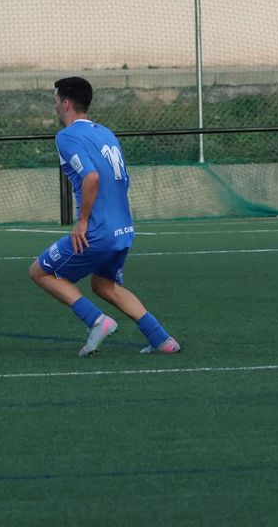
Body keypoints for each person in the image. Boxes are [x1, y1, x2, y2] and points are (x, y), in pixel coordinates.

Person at [28, 77, 181, 357]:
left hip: (97, 231)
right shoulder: (107, 133)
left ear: (65, 103)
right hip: (123, 229)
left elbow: (92, 177)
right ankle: (162, 339)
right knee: (103, 284)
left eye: (54, 101)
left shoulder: (67, 136)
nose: (54, 107)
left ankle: (97, 321)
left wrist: (82, 221)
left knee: (40, 271)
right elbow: (122, 180)